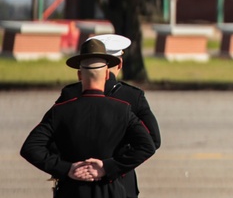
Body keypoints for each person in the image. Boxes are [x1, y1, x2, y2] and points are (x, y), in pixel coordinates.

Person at [21, 38, 157, 198]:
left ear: (79, 75)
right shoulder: (123, 110)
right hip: (112, 190)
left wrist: (67, 168)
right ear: (107, 74)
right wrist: (107, 167)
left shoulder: (61, 111)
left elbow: (31, 148)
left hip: (72, 191)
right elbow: (148, 145)